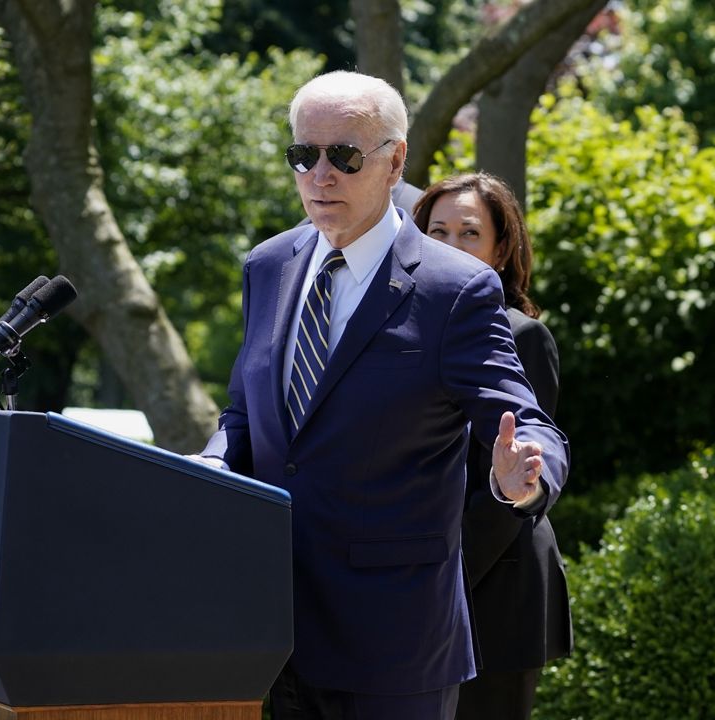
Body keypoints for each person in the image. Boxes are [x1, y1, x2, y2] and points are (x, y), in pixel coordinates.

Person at [193, 71, 569, 720]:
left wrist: (521, 478)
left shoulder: (455, 289)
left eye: (343, 156)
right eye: (302, 156)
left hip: (394, 648)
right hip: (265, 633)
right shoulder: (266, 266)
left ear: (395, 161)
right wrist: (208, 464)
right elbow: (244, 416)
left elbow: (528, 421)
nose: (320, 175)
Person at [412, 173, 572, 720]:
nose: (450, 247)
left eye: (469, 233)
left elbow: (514, 483)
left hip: (492, 591)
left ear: (501, 250)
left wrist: (433, 583)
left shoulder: (520, 335)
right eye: (437, 232)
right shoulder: (402, 332)